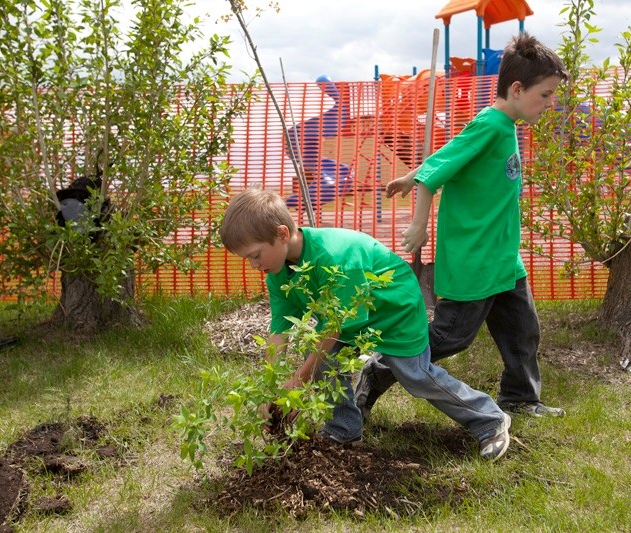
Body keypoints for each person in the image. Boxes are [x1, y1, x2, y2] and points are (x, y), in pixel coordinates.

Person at [356, 32, 568, 420]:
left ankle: (520, 398)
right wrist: (419, 224)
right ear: (518, 89)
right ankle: (379, 368)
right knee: (450, 338)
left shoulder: (503, 126)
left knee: (522, 331)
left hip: (502, 259)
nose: (550, 103)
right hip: (474, 262)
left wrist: (413, 173)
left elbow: (448, 157)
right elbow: (432, 179)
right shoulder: (490, 124)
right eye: (546, 94)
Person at [218, 187, 511, 460]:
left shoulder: (337, 258)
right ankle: (344, 431)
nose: (254, 265)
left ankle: (489, 419)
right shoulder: (278, 273)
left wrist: (299, 379)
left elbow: (333, 327)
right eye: (247, 259)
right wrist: (273, 390)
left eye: (255, 255)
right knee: (325, 365)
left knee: (417, 376)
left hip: (394, 311)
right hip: (350, 318)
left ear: (282, 234)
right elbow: (279, 330)